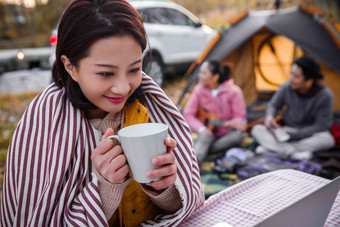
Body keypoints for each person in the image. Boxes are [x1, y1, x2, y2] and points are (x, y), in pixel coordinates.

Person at [0, 0, 204, 226]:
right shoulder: (45, 123)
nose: (123, 88)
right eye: (106, 73)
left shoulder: (152, 108)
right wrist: (105, 187)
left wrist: (164, 187)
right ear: (70, 67)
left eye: (135, 69)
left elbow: (184, 207)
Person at [251, 56, 335, 160]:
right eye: (291, 74)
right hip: (285, 133)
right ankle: (292, 153)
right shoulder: (286, 87)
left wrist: (296, 133)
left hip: (307, 135)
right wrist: (269, 117)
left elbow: (321, 125)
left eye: (296, 76)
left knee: (327, 139)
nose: (291, 78)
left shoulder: (324, 95)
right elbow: (273, 105)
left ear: (309, 80)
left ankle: (274, 150)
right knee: (257, 129)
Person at [183, 60, 247, 163]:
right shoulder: (198, 90)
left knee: (236, 137)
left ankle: (202, 149)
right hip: (208, 133)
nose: (199, 76)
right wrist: (202, 129)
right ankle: (194, 164)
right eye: (200, 72)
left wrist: (231, 123)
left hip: (227, 134)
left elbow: (240, 116)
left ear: (215, 77)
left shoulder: (234, 91)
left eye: (204, 73)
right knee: (205, 137)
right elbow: (188, 115)